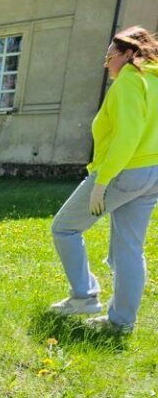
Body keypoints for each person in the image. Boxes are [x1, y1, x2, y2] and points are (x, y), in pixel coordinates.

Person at [49, 26, 158, 333]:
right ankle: (121, 323)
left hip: (123, 171)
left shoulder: (129, 82)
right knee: (129, 249)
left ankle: (83, 296)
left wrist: (101, 183)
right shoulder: (155, 80)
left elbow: (127, 137)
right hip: (153, 174)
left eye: (110, 54)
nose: (106, 62)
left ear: (129, 54)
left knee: (65, 227)